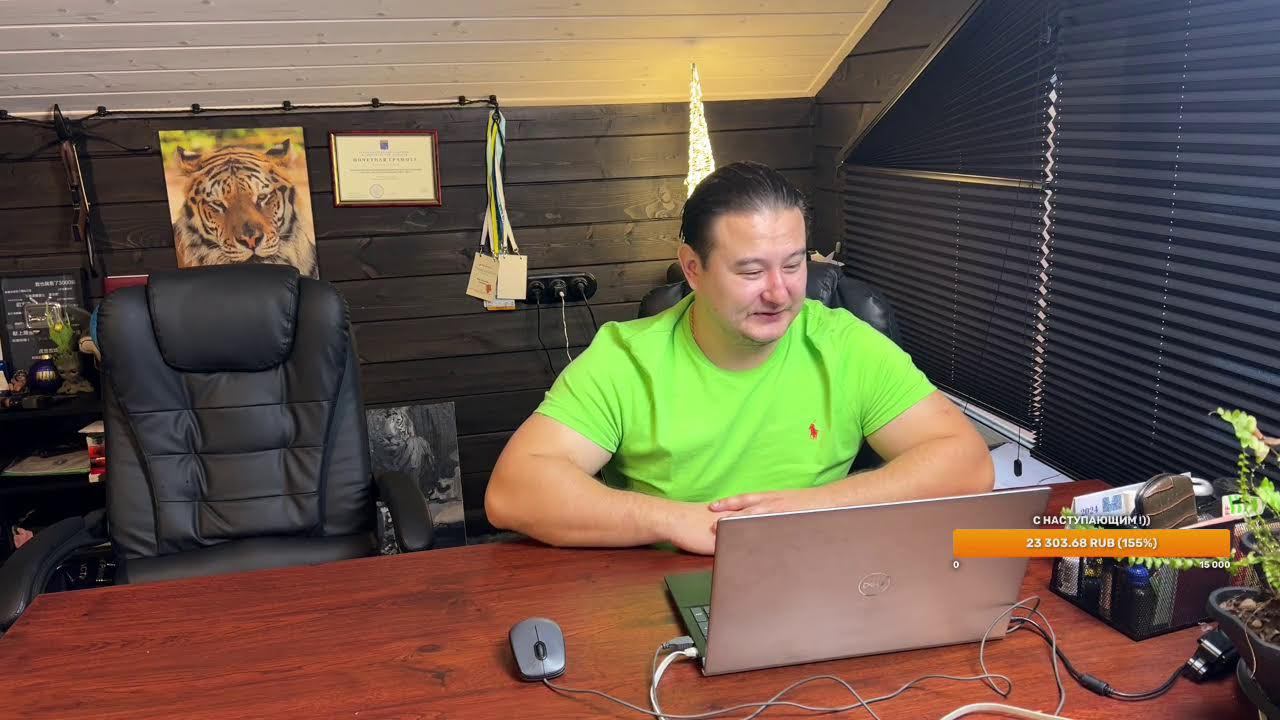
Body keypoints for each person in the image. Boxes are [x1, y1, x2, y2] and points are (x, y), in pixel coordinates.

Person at [485, 162, 994, 555]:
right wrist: (676, 521)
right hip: (662, 589)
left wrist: (809, 507)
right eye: (751, 271)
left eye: (793, 265)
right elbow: (513, 492)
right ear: (693, 269)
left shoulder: (845, 342)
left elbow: (967, 464)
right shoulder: (626, 358)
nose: (779, 293)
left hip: (820, 572)